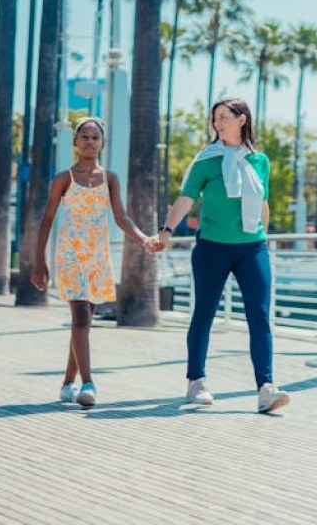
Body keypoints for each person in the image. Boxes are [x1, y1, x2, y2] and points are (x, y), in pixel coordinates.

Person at [156, 98, 290, 414]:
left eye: (223, 117)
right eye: (215, 118)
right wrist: (165, 231)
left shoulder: (260, 161)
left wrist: (264, 239)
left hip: (251, 247)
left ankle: (266, 389)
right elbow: (186, 199)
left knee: (259, 316)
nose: (217, 123)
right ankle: (196, 382)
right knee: (204, 313)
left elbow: (263, 203)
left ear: (242, 120)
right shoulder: (206, 160)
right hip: (212, 248)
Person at [30, 116, 157, 408]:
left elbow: (121, 217)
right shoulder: (64, 178)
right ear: (75, 143)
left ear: (102, 144)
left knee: (84, 322)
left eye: (94, 138)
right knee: (82, 319)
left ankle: (66, 385)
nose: (89, 142)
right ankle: (88, 383)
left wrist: (144, 239)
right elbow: (47, 220)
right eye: (84, 137)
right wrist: (39, 262)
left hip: (97, 257)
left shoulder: (110, 178)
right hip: (71, 255)